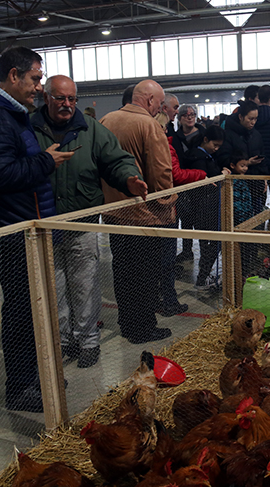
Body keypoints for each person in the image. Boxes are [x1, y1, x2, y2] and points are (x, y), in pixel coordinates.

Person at [0, 46, 75, 412]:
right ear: (13, 75)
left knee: (32, 307)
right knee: (22, 311)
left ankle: (33, 376)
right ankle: (22, 387)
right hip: (10, 231)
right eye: (35, 79)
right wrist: (45, 161)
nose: (39, 88)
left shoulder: (10, 115)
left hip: (21, 227)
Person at [31, 75, 147, 368]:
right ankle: (65, 338)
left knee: (84, 283)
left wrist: (129, 179)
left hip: (82, 221)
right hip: (44, 225)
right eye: (60, 98)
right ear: (46, 98)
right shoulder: (29, 128)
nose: (67, 105)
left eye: (72, 99)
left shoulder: (91, 129)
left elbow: (116, 160)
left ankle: (88, 341)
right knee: (53, 287)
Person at [99, 79, 176, 344]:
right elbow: (161, 174)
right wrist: (169, 202)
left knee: (122, 273)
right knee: (145, 275)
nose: (160, 109)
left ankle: (127, 323)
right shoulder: (149, 125)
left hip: (113, 213)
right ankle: (143, 328)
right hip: (143, 215)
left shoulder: (107, 119)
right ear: (151, 100)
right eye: (160, 103)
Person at [182, 125, 229, 290]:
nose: (216, 149)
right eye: (215, 145)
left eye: (219, 147)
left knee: (207, 244)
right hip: (204, 208)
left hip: (203, 208)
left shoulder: (202, 156)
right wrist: (221, 175)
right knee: (213, 243)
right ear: (205, 139)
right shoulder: (199, 159)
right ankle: (202, 279)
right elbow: (205, 183)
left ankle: (203, 277)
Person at [173, 104, 206, 263]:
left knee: (200, 220)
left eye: (192, 114)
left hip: (202, 182)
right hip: (185, 182)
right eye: (186, 115)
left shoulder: (203, 135)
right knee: (185, 219)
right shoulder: (175, 137)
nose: (190, 117)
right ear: (180, 119)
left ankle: (204, 251)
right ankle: (187, 250)